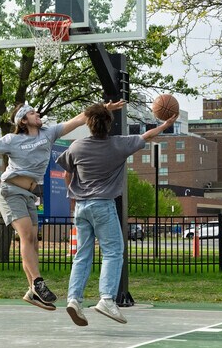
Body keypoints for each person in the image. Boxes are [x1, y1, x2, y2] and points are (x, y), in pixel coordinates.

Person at [0, 101, 124, 311]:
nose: (37, 113)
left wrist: (103, 108)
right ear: (23, 120)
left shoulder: (49, 133)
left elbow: (78, 120)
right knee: (27, 237)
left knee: (33, 243)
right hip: (10, 192)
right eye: (32, 112)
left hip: (29, 195)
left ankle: (32, 292)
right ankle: (38, 283)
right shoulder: (11, 139)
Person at [56, 102, 177, 326]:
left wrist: (73, 195)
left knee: (82, 255)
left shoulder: (76, 146)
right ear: (109, 125)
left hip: (81, 207)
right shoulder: (119, 145)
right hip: (103, 205)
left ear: (88, 123)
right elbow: (147, 135)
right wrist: (166, 124)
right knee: (113, 252)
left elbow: (66, 174)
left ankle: (74, 299)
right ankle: (106, 299)